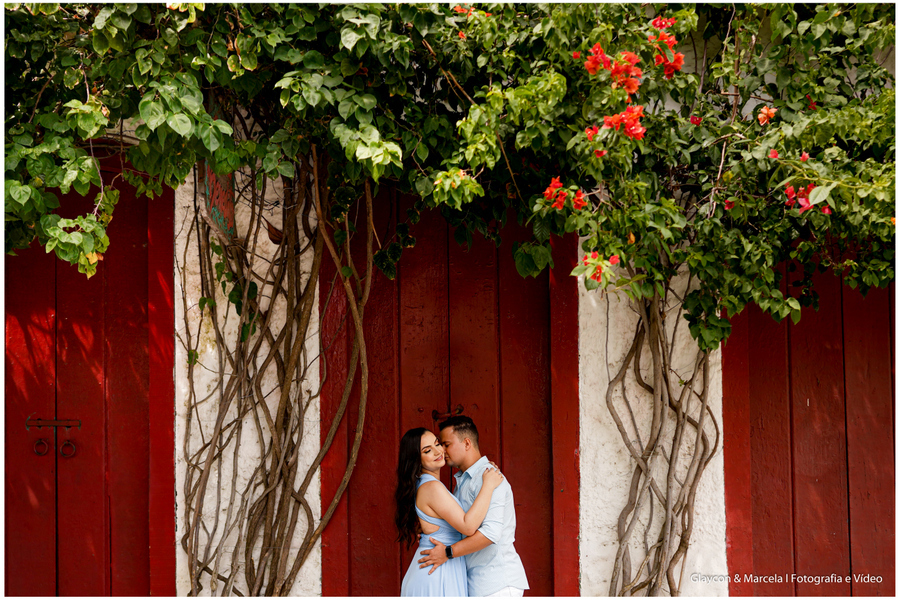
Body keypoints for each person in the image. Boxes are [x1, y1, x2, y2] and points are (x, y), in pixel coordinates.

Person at [418, 416, 529, 597]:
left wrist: (447, 552)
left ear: (467, 443)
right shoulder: (463, 481)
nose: (442, 451)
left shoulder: (491, 478)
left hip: (497, 582)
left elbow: (490, 533)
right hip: (476, 582)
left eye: (446, 444)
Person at [396, 427, 504, 596]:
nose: (438, 451)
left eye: (437, 444)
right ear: (417, 460)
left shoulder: (427, 484)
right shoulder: (432, 487)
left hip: (440, 564)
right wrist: (488, 485)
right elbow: (468, 527)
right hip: (436, 570)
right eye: (427, 450)